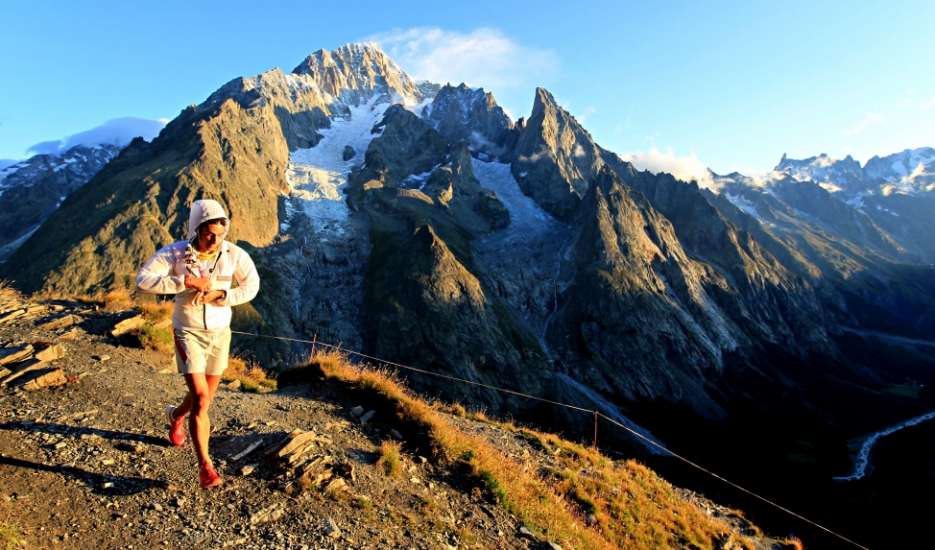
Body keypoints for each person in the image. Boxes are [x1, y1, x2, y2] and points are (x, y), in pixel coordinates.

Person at [137, 199, 260, 489]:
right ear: (196, 230)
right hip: (187, 331)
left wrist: (221, 296)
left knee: (200, 398)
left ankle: (176, 416)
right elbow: (144, 278)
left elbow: (251, 286)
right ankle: (206, 466)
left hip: (220, 333)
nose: (215, 239)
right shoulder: (176, 253)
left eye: (220, 232)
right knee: (202, 399)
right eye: (209, 234)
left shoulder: (234, 254)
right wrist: (183, 283)